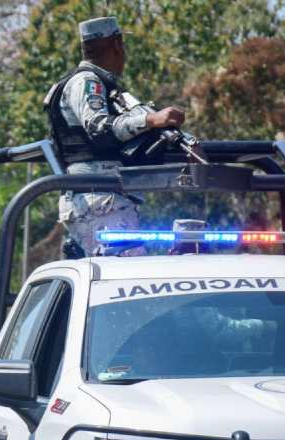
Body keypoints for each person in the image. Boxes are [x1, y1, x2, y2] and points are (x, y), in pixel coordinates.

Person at [45, 16, 187, 258]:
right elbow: (100, 128)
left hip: (99, 198)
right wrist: (151, 120)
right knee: (125, 280)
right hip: (100, 198)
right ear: (117, 44)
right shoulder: (88, 81)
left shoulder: (91, 82)